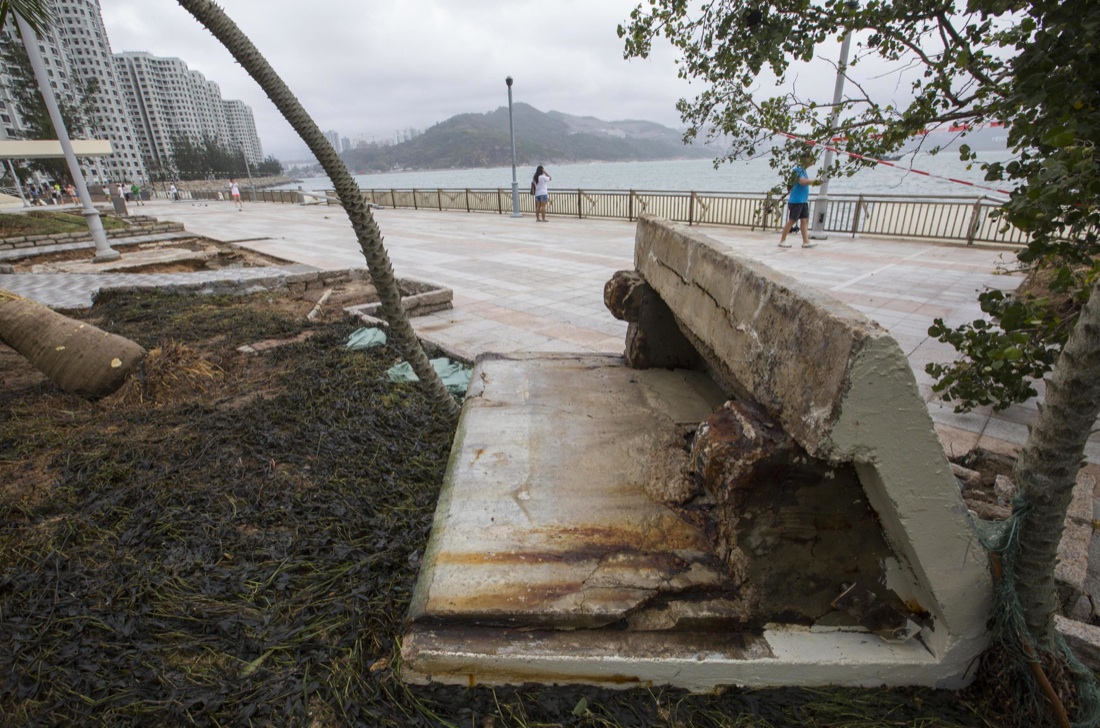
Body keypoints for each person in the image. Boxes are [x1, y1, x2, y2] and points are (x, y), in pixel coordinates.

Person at [778, 155, 821, 248]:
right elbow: (803, 182)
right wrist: (815, 181)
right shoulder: (798, 170)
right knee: (792, 220)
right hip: (796, 201)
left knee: (804, 220)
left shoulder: (804, 171)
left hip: (803, 201)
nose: (813, 160)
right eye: (811, 158)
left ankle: (806, 241)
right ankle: (782, 240)